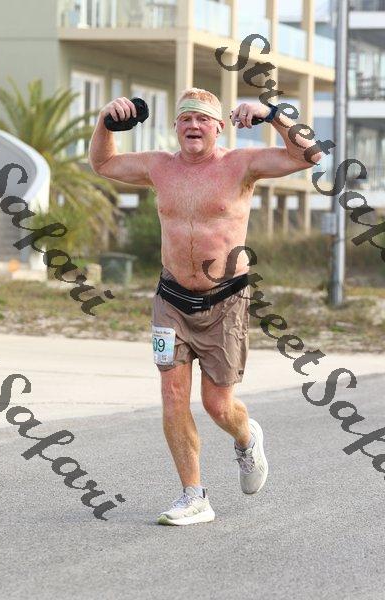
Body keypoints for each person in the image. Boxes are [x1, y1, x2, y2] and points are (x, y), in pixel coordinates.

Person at [89, 88, 322, 526]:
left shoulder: (241, 165)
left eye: (202, 119)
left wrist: (273, 113)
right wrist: (106, 121)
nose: (193, 126)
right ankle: (193, 496)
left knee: (218, 405)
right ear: (176, 127)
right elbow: (103, 164)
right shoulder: (159, 166)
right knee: (172, 396)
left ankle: (246, 437)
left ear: (218, 127)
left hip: (225, 301)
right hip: (171, 300)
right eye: (185, 119)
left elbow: (309, 155)